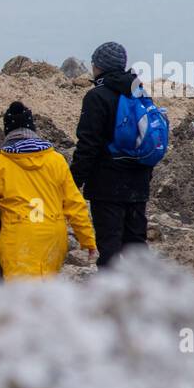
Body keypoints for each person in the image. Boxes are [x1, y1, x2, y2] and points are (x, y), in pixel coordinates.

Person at [0, 101, 96, 279]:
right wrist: (87, 238)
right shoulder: (56, 160)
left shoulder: (0, 163)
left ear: (7, 132)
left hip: (18, 237)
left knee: (21, 297)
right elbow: (75, 203)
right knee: (45, 291)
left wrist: (0, 211)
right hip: (53, 236)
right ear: (33, 130)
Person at [71, 41, 155, 268]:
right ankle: (146, 297)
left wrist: (72, 183)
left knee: (110, 249)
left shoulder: (97, 97)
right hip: (138, 183)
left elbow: (88, 145)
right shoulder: (139, 92)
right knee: (137, 248)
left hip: (107, 186)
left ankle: (112, 299)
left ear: (99, 66)